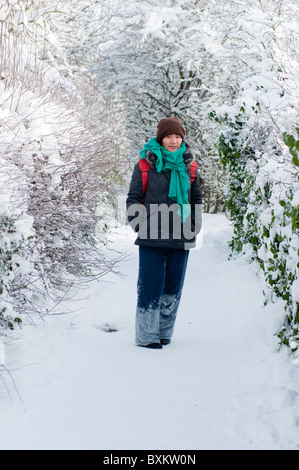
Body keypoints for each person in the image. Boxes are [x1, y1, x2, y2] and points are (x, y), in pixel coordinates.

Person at [126, 117, 203, 349]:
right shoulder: (145, 164)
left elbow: (196, 197)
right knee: (150, 286)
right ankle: (146, 336)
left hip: (181, 233)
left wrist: (194, 225)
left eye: (178, 136)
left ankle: (164, 332)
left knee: (173, 287)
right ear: (161, 138)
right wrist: (141, 225)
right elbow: (133, 198)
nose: (174, 140)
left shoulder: (189, 165)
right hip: (152, 236)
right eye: (169, 136)